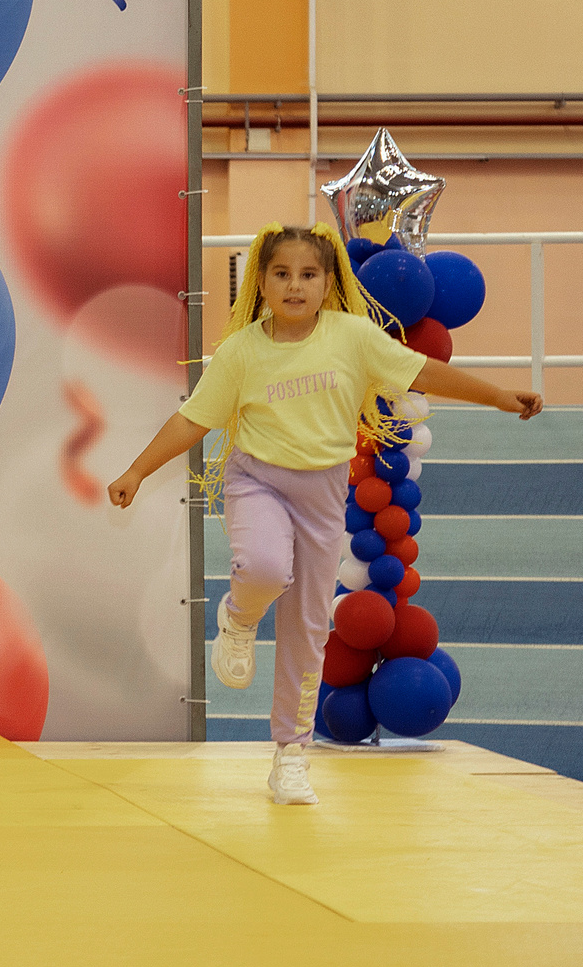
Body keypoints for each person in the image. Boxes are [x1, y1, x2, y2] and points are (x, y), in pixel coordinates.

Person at [108, 223, 542, 805]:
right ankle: (238, 617)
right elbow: (193, 418)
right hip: (258, 482)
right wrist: (137, 471)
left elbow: (422, 372)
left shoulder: (352, 337)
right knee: (263, 567)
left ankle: (291, 755)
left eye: (308, 274)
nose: (295, 285)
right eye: (282, 274)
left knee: (309, 630)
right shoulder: (242, 351)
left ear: (329, 282)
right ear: (261, 283)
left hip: (322, 493)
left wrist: (499, 396)